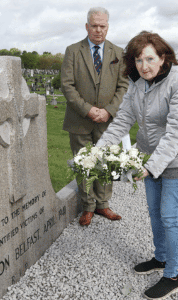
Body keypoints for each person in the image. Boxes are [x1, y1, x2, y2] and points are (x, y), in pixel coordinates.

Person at [96, 31, 178, 299]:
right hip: (149, 156)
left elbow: (177, 130)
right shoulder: (137, 83)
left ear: (163, 57)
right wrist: (98, 150)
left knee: (169, 215)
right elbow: (122, 120)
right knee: (154, 213)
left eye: (150, 59)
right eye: (139, 60)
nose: (145, 66)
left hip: (177, 158)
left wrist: (151, 166)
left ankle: (173, 275)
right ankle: (161, 258)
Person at [61, 7, 128, 226]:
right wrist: (88, 109)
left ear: (108, 26)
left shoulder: (118, 53)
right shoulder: (72, 51)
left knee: (106, 163)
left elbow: (123, 87)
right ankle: (87, 207)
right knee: (85, 164)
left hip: (108, 121)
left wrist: (108, 110)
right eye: (94, 25)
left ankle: (103, 205)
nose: (98, 30)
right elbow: (67, 85)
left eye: (103, 26)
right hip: (80, 119)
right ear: (87, 26)